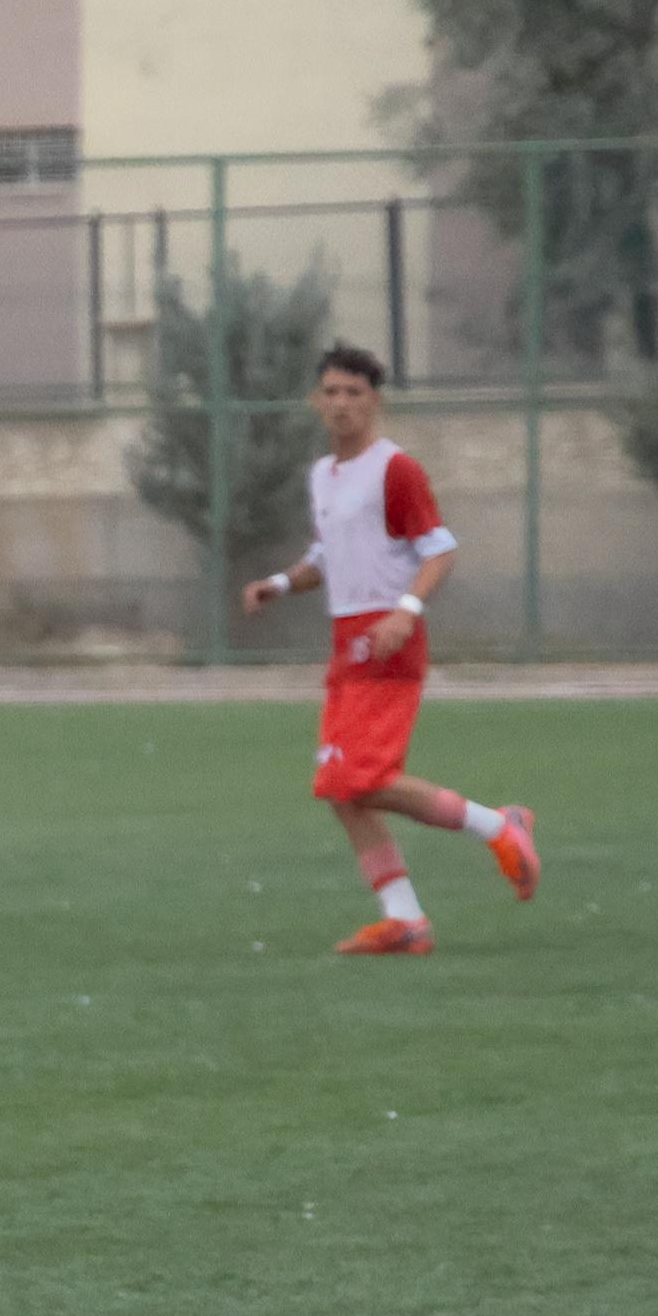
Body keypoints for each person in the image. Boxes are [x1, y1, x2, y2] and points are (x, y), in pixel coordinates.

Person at [238, 343, 540, 956]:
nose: (341, 403)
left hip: (387, 644)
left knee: (362, 779)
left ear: (375, 402)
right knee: (340, 789)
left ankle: (498, 825)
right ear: (316, 401)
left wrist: (406, 610)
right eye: (332, 392)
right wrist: (279, 583)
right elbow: (326, 556)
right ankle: (405, 918)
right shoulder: (323, 475)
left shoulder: (395, 470)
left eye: (354, 393)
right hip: (345, 644)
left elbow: (440, 549)